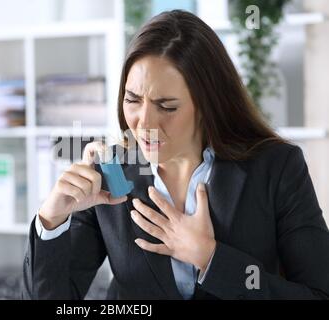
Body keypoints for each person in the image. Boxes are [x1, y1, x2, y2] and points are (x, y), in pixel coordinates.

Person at [22, 10, 329, 300]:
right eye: (132, 99)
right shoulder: (111, 170)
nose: (144, 123)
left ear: (208, 104)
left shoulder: (276, 167)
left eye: (166, 106)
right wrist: (52, 219)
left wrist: (210, 258)